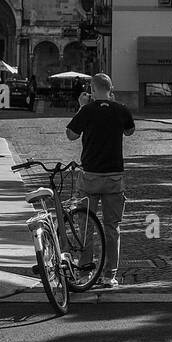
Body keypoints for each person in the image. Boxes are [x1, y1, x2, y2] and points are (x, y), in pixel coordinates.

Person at [66, 72, 135, 288]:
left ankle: (85, 273)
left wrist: (81, 106)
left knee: (86, 227)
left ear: (93, 90)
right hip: (114, 177)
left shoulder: (87, 110)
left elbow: (71, 134)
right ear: (111, 89)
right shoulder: (121, 109)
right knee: (112, 228)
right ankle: (109, 276)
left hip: (90, 177)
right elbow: (130, 131)